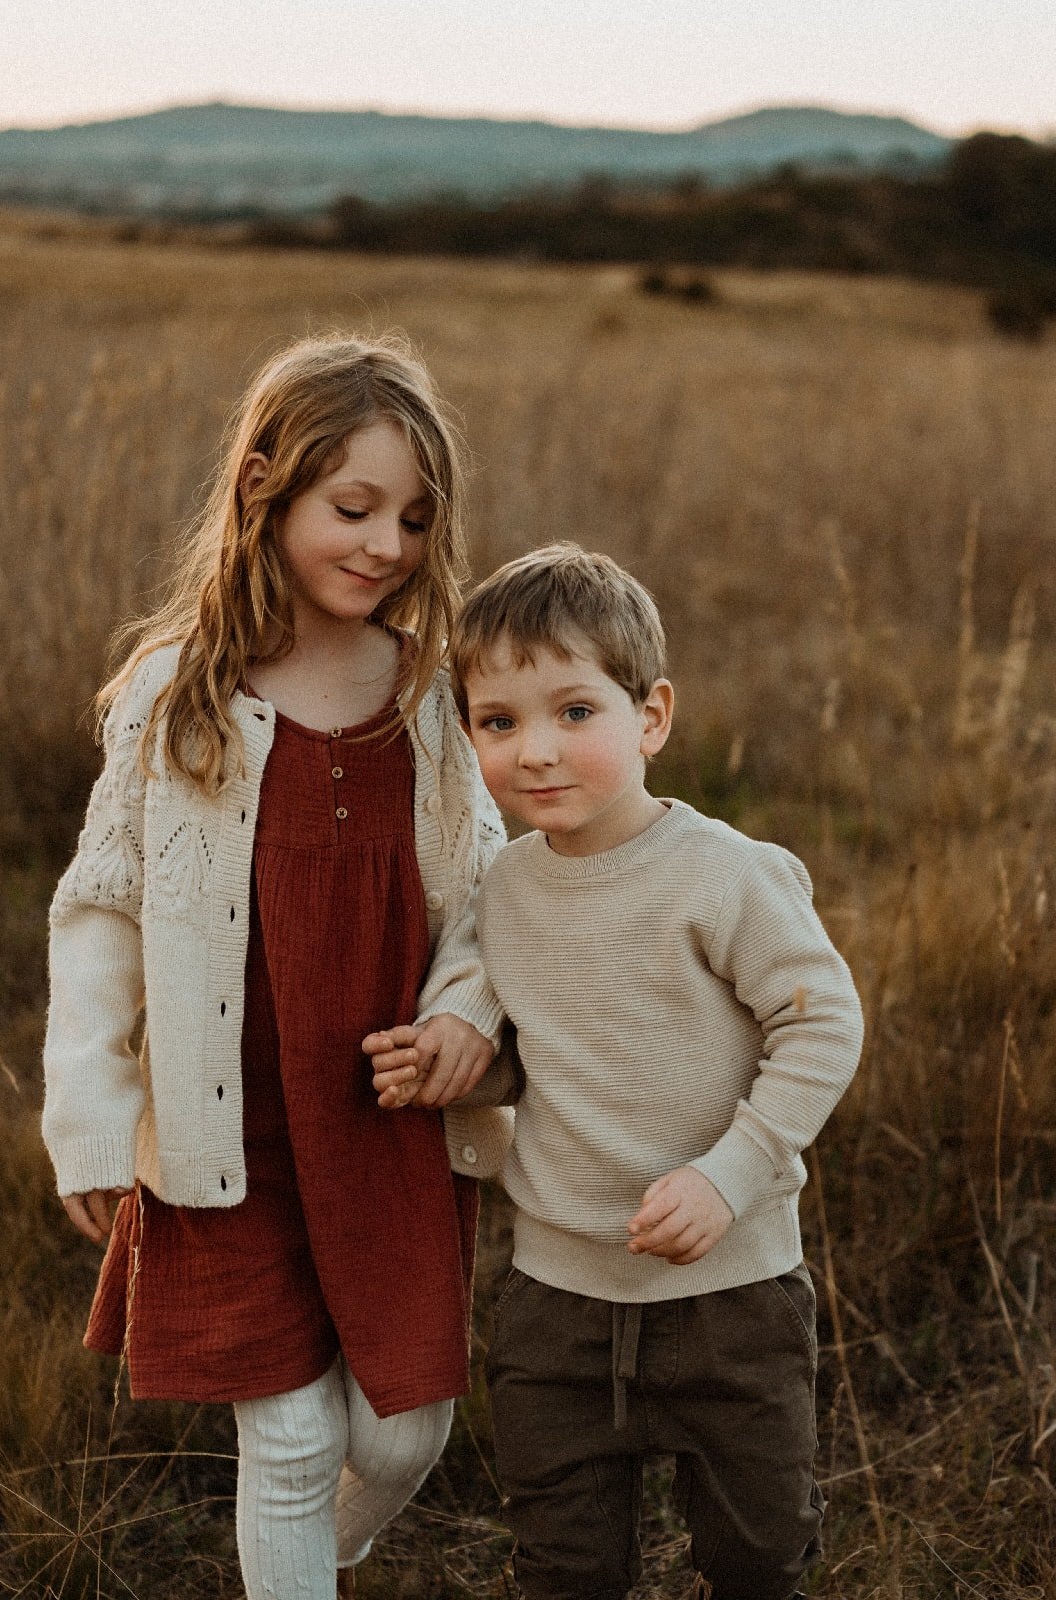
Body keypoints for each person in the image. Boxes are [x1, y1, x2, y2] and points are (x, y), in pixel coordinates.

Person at [41, 333, 511, 1600]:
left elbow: (486, 898)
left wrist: (467, 1016)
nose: (385, 546)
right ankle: (293, 1549)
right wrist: (91, 1114)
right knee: (293, 1436)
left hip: (381, 1114)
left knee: (403, 1428)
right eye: (351, 508)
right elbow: (102, 909)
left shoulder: (429, 696)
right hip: (225, 1122)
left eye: (413, 519)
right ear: (262, 487)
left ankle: (316, 1543)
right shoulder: (173, 693)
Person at [365, 543, 865, 1600]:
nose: (536, 751)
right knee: (565, 1566)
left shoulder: (724, 875)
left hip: (732, 1298)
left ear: (652, 716)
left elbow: (822, 1027)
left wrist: (732, 1172)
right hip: (557, 1303)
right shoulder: (501, 886)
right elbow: (515, 1037)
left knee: (757, 1555)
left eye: (575, 712)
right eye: (499, 723)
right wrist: (458, 1059)